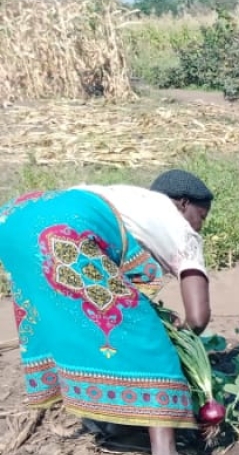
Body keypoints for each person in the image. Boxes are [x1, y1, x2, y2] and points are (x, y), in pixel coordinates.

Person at [0, 169, 215, 455]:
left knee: (78, 328)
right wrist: (181, 342)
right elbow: (198, 318)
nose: (200, 227)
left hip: (15, 220)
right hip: (64, 230)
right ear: (183, 203)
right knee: (152, 345)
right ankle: (165, 449)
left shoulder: (131, 200)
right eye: (202, 216)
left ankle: (113, 428)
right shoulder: (178, 226)